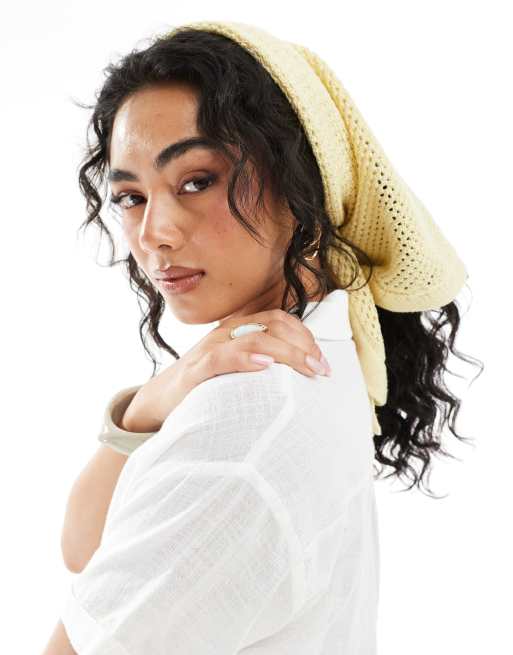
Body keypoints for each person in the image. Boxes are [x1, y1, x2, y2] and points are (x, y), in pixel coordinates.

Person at [42, 20, 481, 655]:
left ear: (302, 181)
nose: (154, 234)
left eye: (197, 181)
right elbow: (86, 548)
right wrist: (152, 401)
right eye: (131, 196)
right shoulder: (301, 356)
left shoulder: (241, 429)